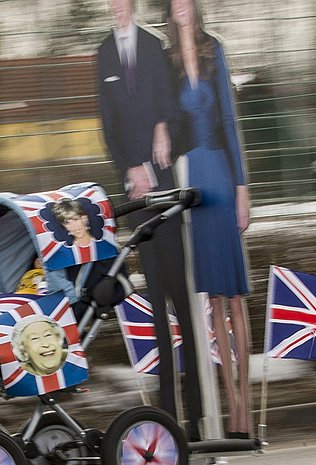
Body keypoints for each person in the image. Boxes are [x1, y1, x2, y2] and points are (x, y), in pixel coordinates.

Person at [96, 0, 203, 440]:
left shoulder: (155, 47)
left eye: (123, 2)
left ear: (133, 6)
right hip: (136, 190)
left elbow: (174, 114)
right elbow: (107, 125)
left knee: (182, 297)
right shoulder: (102, 53)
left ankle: (196, 414)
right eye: (111, 2)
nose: (117, 8)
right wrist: (130, 168)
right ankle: (168, 414)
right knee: (156, 298)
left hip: (166, 187)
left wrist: (162, 126)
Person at [166, 0, 252, 438]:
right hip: (192, 178)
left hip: (220, 169)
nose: (181, 5)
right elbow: (165, 118)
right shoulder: (168, 60)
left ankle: (246, 413)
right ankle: (230, 410)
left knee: (235, 295)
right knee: (213, 298)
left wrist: (242, 187)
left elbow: (231, 121)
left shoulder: (213, 49)